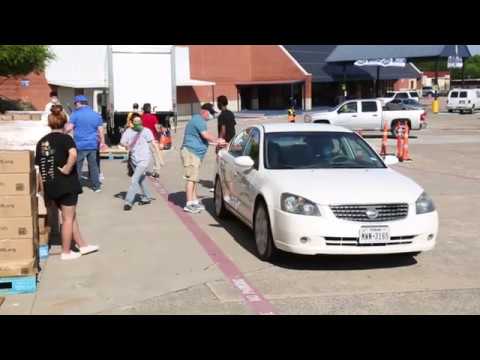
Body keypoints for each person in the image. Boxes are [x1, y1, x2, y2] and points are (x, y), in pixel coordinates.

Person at [35, 105, 99, 261]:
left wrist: (43, 189)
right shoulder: (66, 138)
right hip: (65, 184)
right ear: (64, 122)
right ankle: (66, 251)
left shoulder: (42, 142)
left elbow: (39, 166)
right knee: (68, 218)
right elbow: (73, 154)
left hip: (50, 184)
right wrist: (67, 168)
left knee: (70, 215)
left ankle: (82, 245)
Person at [181, 103, 225, 214]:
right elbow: (205, 135)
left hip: (195, 154)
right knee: (191, 178)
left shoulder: (199, 120)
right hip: (191, 153)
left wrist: (215, 143)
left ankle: (194, 201)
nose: (212, 116)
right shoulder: (199, 120)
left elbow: (202, 140)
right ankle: (189, 203)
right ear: (205, 111)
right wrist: (218, 140)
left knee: (194, 178)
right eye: (211, 114)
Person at [66, 95, 105, 193]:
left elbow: (69, 128)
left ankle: (77, 188)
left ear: (79, 103)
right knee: (93, 166)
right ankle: (96, 186)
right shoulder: (96, 115)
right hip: (93, 145)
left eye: (75, 103)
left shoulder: (75, 114)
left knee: (78, 166)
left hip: (79, 145)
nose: (75, 105)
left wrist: (60, 132)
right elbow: (100, 130)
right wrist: (102, 142)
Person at [120, 113, 159, 211]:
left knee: (134, 179)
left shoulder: (146, 131)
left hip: (144, 159)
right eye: (135, 121)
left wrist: (158, 160)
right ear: (131, 123)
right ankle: (147, 197)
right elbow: (122, 142)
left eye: (139, 121)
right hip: (134, 159)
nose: (138, 123)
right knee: (141, 179)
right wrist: (126, 146)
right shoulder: (128, 132)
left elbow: (152, 144)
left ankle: (128, 202)